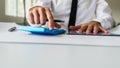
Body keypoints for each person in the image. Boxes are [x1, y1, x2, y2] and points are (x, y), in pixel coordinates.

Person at [26, 0, 114, 34]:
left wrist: (98, 22)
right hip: (54, 38)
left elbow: (108, 18)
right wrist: (35, 13)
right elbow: (38, 9)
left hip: (84, 38)